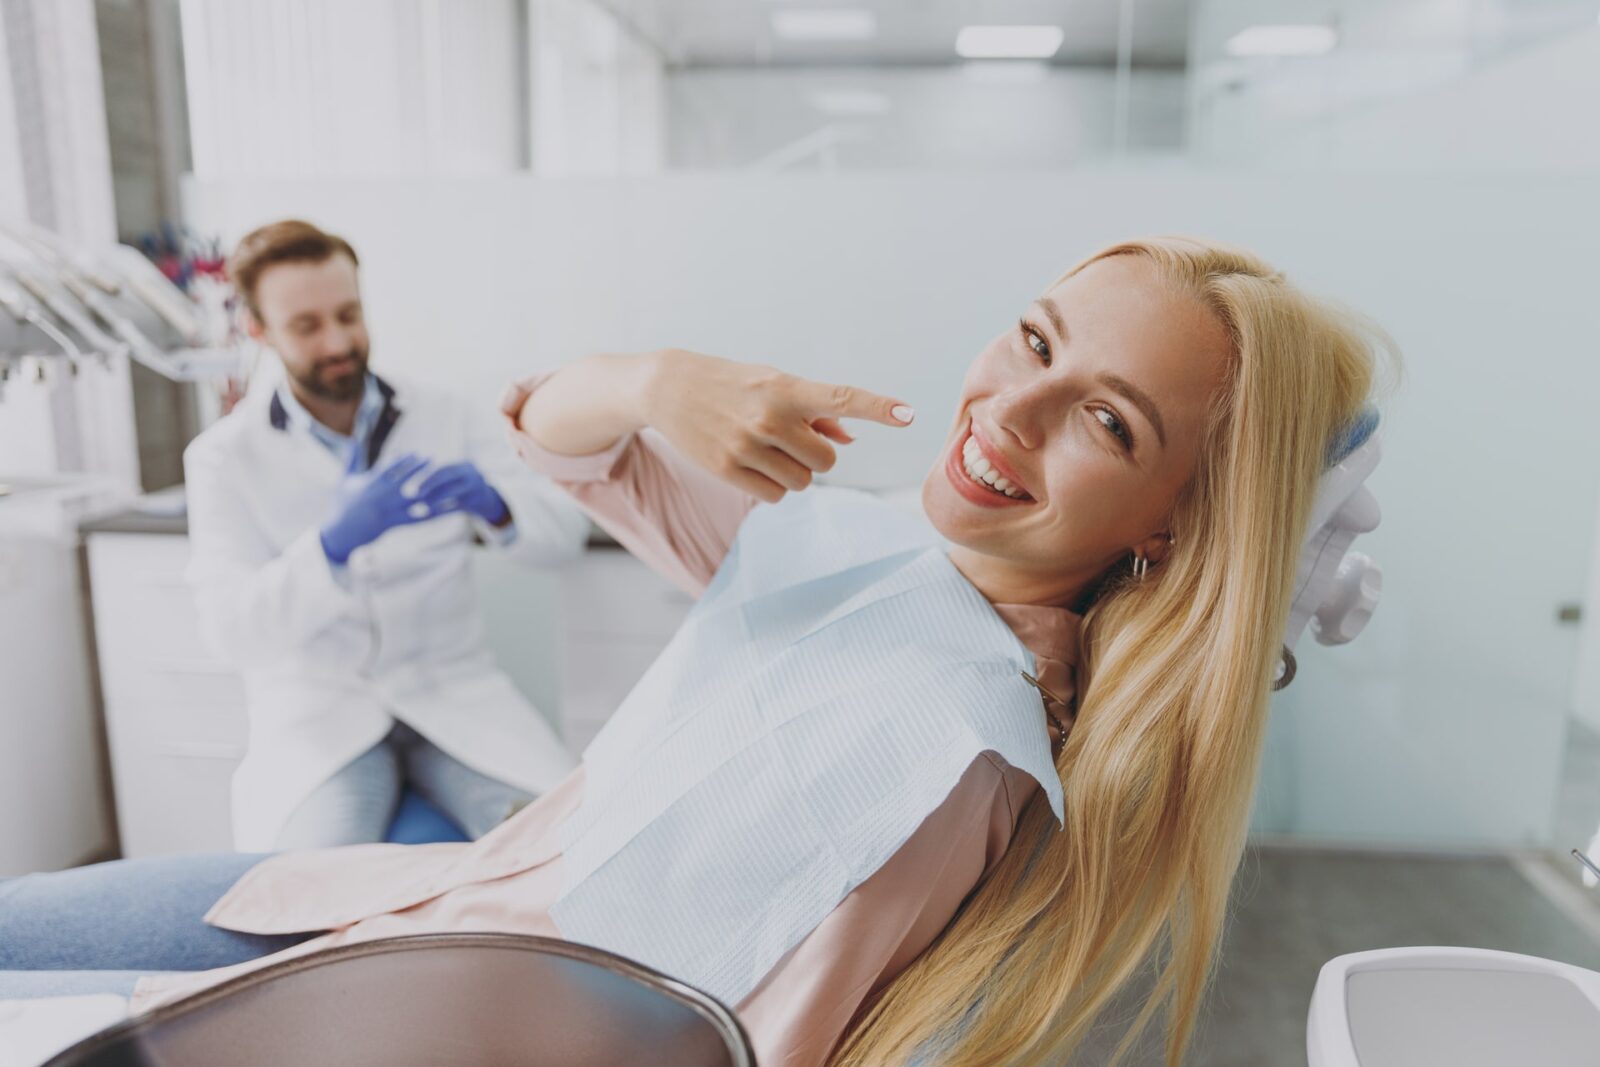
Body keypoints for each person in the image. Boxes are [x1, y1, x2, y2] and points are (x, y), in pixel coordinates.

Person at [0, 236, 1392, 1067]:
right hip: (411, 897)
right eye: (1033, 336)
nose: (1009, 409)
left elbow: (710, 1037)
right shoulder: (864, 547)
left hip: (423, 994)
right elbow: (559, 427)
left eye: (1109, 422)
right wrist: (660, 378)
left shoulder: (951, 738)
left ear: (1169, 527)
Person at [183, 219, 591, 850]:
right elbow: (232, 633)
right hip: (321, 716)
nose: (339, 340)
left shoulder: (446, 413)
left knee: (569, 847)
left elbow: (562, 538)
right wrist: (330, 548)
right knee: (310, 904)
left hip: (453, 695)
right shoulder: (223, 459)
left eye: (349, 314)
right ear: (257, 330)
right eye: (307, 326)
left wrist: (499, 506)